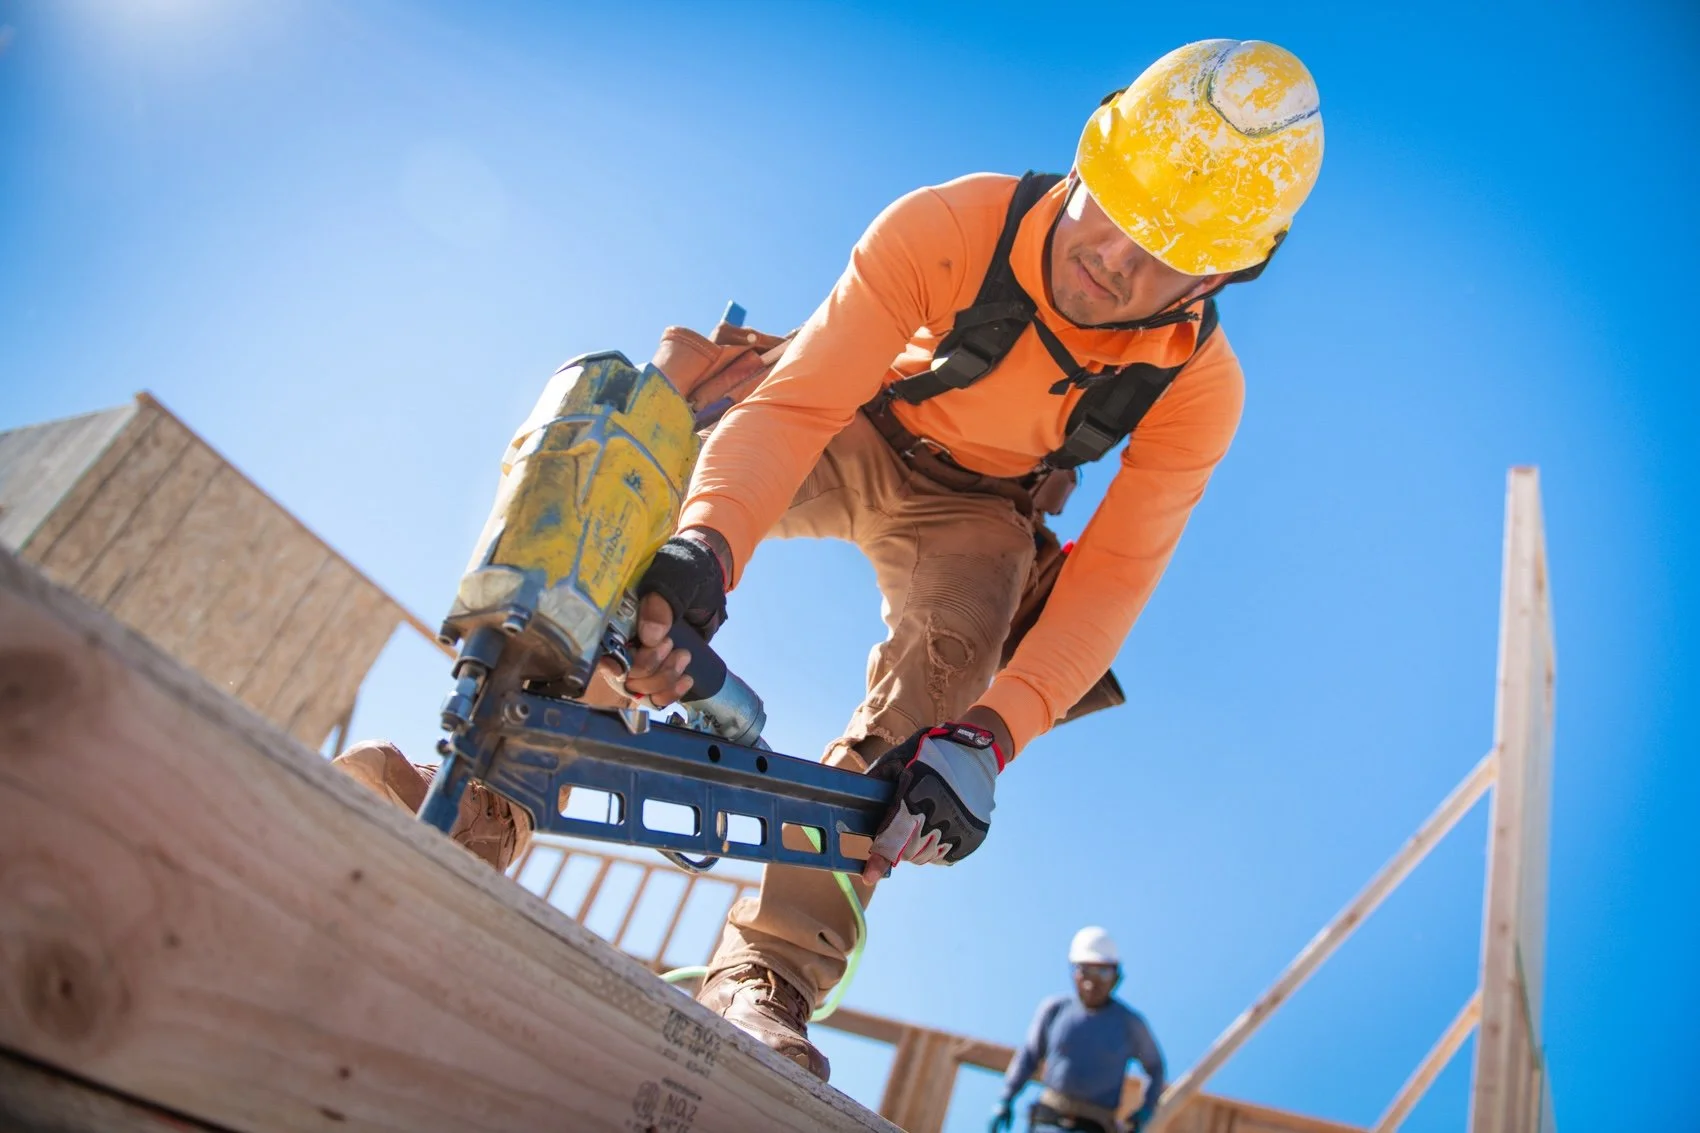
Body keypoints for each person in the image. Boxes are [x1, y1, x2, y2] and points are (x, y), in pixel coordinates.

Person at [338, 37, 1323, 1082]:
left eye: (1160, 255)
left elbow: (1114, 575)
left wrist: (988, 740)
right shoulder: (949, 225)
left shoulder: (1198, 389)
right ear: (1091, 153)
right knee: (640, 507)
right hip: (851, 419)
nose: (1111, 261)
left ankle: (764, 977)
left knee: (940, 700)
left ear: (1219, 272)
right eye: (1110, 212)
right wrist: (701, 549)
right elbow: (801, 401)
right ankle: (478, 803)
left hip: (978, 512)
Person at [991, 928, 1163, 1133]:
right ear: (1074, 972)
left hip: (1094, 1125)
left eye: (1103, 972)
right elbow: (1029, 1055)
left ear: (1116, 977)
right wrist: (1006, 1097)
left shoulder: (1129, 1024)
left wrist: (1146, 1110)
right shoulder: (1054, 1010)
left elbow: (1155, 1066)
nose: (1092, 983)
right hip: (1049, 1120)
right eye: (1086, 971)